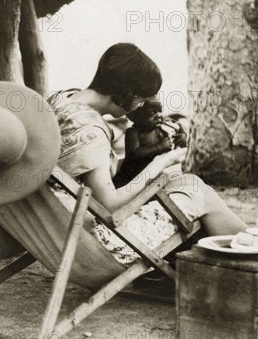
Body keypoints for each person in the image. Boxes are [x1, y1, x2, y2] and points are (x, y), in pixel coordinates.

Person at [46, 43, 247, 264]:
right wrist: (159, 163)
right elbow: (110, 204)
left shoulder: (59, 102)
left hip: (55, 231)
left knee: (179, 182)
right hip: (99, 245)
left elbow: (84, 173)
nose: (140, 105)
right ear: (126, 92)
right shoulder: (90, 130)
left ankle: (249, 248)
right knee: (196, 190)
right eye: (140, 98)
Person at [114, 96, 187, 186]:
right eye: (152, 112)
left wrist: (183, 135)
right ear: (135, 117)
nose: (159, 115)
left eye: (160, 111)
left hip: (155, 171)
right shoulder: (133, 132)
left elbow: (178, 124)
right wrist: (159, 147)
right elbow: (134, 154)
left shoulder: (160, 124)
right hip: (134, 176)